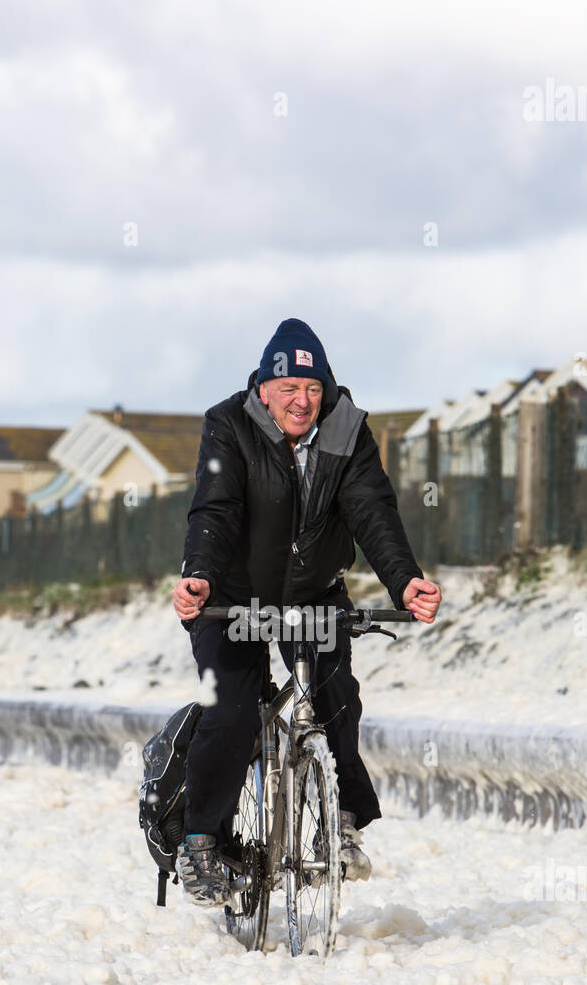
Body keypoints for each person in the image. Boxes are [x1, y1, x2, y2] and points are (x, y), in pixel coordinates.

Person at [171, 318, 441, 903]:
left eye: (313, 388)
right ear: (264, 390)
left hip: (314, 595)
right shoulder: (229, 425)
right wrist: (198, 576)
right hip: (230, 596)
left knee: (336, 696)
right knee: (233, 708)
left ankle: (342, 823)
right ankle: (201, 843)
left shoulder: (347, 430)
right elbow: (214, 511)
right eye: (289, 388)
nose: (302, 401)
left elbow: (372, 511)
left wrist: (405, 583)